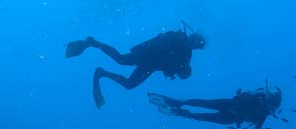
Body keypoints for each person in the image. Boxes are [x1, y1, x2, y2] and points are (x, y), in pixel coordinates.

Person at [66, 28, 205, 108]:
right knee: (120, 60)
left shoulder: (187, 55)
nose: (193, 45)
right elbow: (159, 43)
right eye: (195, 41)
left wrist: (183, 72)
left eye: (196, 45)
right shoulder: (178, 38)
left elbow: (174, 70)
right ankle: (93, 43)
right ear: (192, 36)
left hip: (150, 65)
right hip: (146, 56)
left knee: (129, 84)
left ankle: (101, 72)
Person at [147, 86, 282, 129]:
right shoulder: (259, 98)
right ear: (268, 101)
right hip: (230, 106)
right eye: (270, 107)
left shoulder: (264, 115)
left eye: (272, 110)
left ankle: (179, 111)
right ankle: (177, 103)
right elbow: (246, 98)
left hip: (230, 118)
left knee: (202, 115)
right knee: (203, 103)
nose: (269, 111)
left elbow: (257, 128)